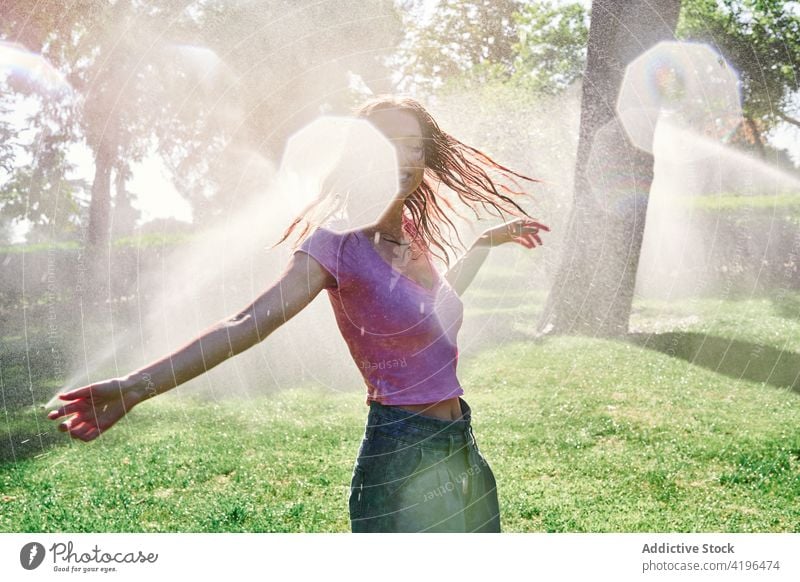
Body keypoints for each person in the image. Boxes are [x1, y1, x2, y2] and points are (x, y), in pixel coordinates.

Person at [47, 95, 549, 532]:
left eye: (413, 144)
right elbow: (247, 323)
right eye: (385, 143)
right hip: (401, 454)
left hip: (460, 443)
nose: (403, 156)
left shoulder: (411, 231)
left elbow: (433, 308)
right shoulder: (334, 246)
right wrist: (138, 385)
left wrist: (484, 242)